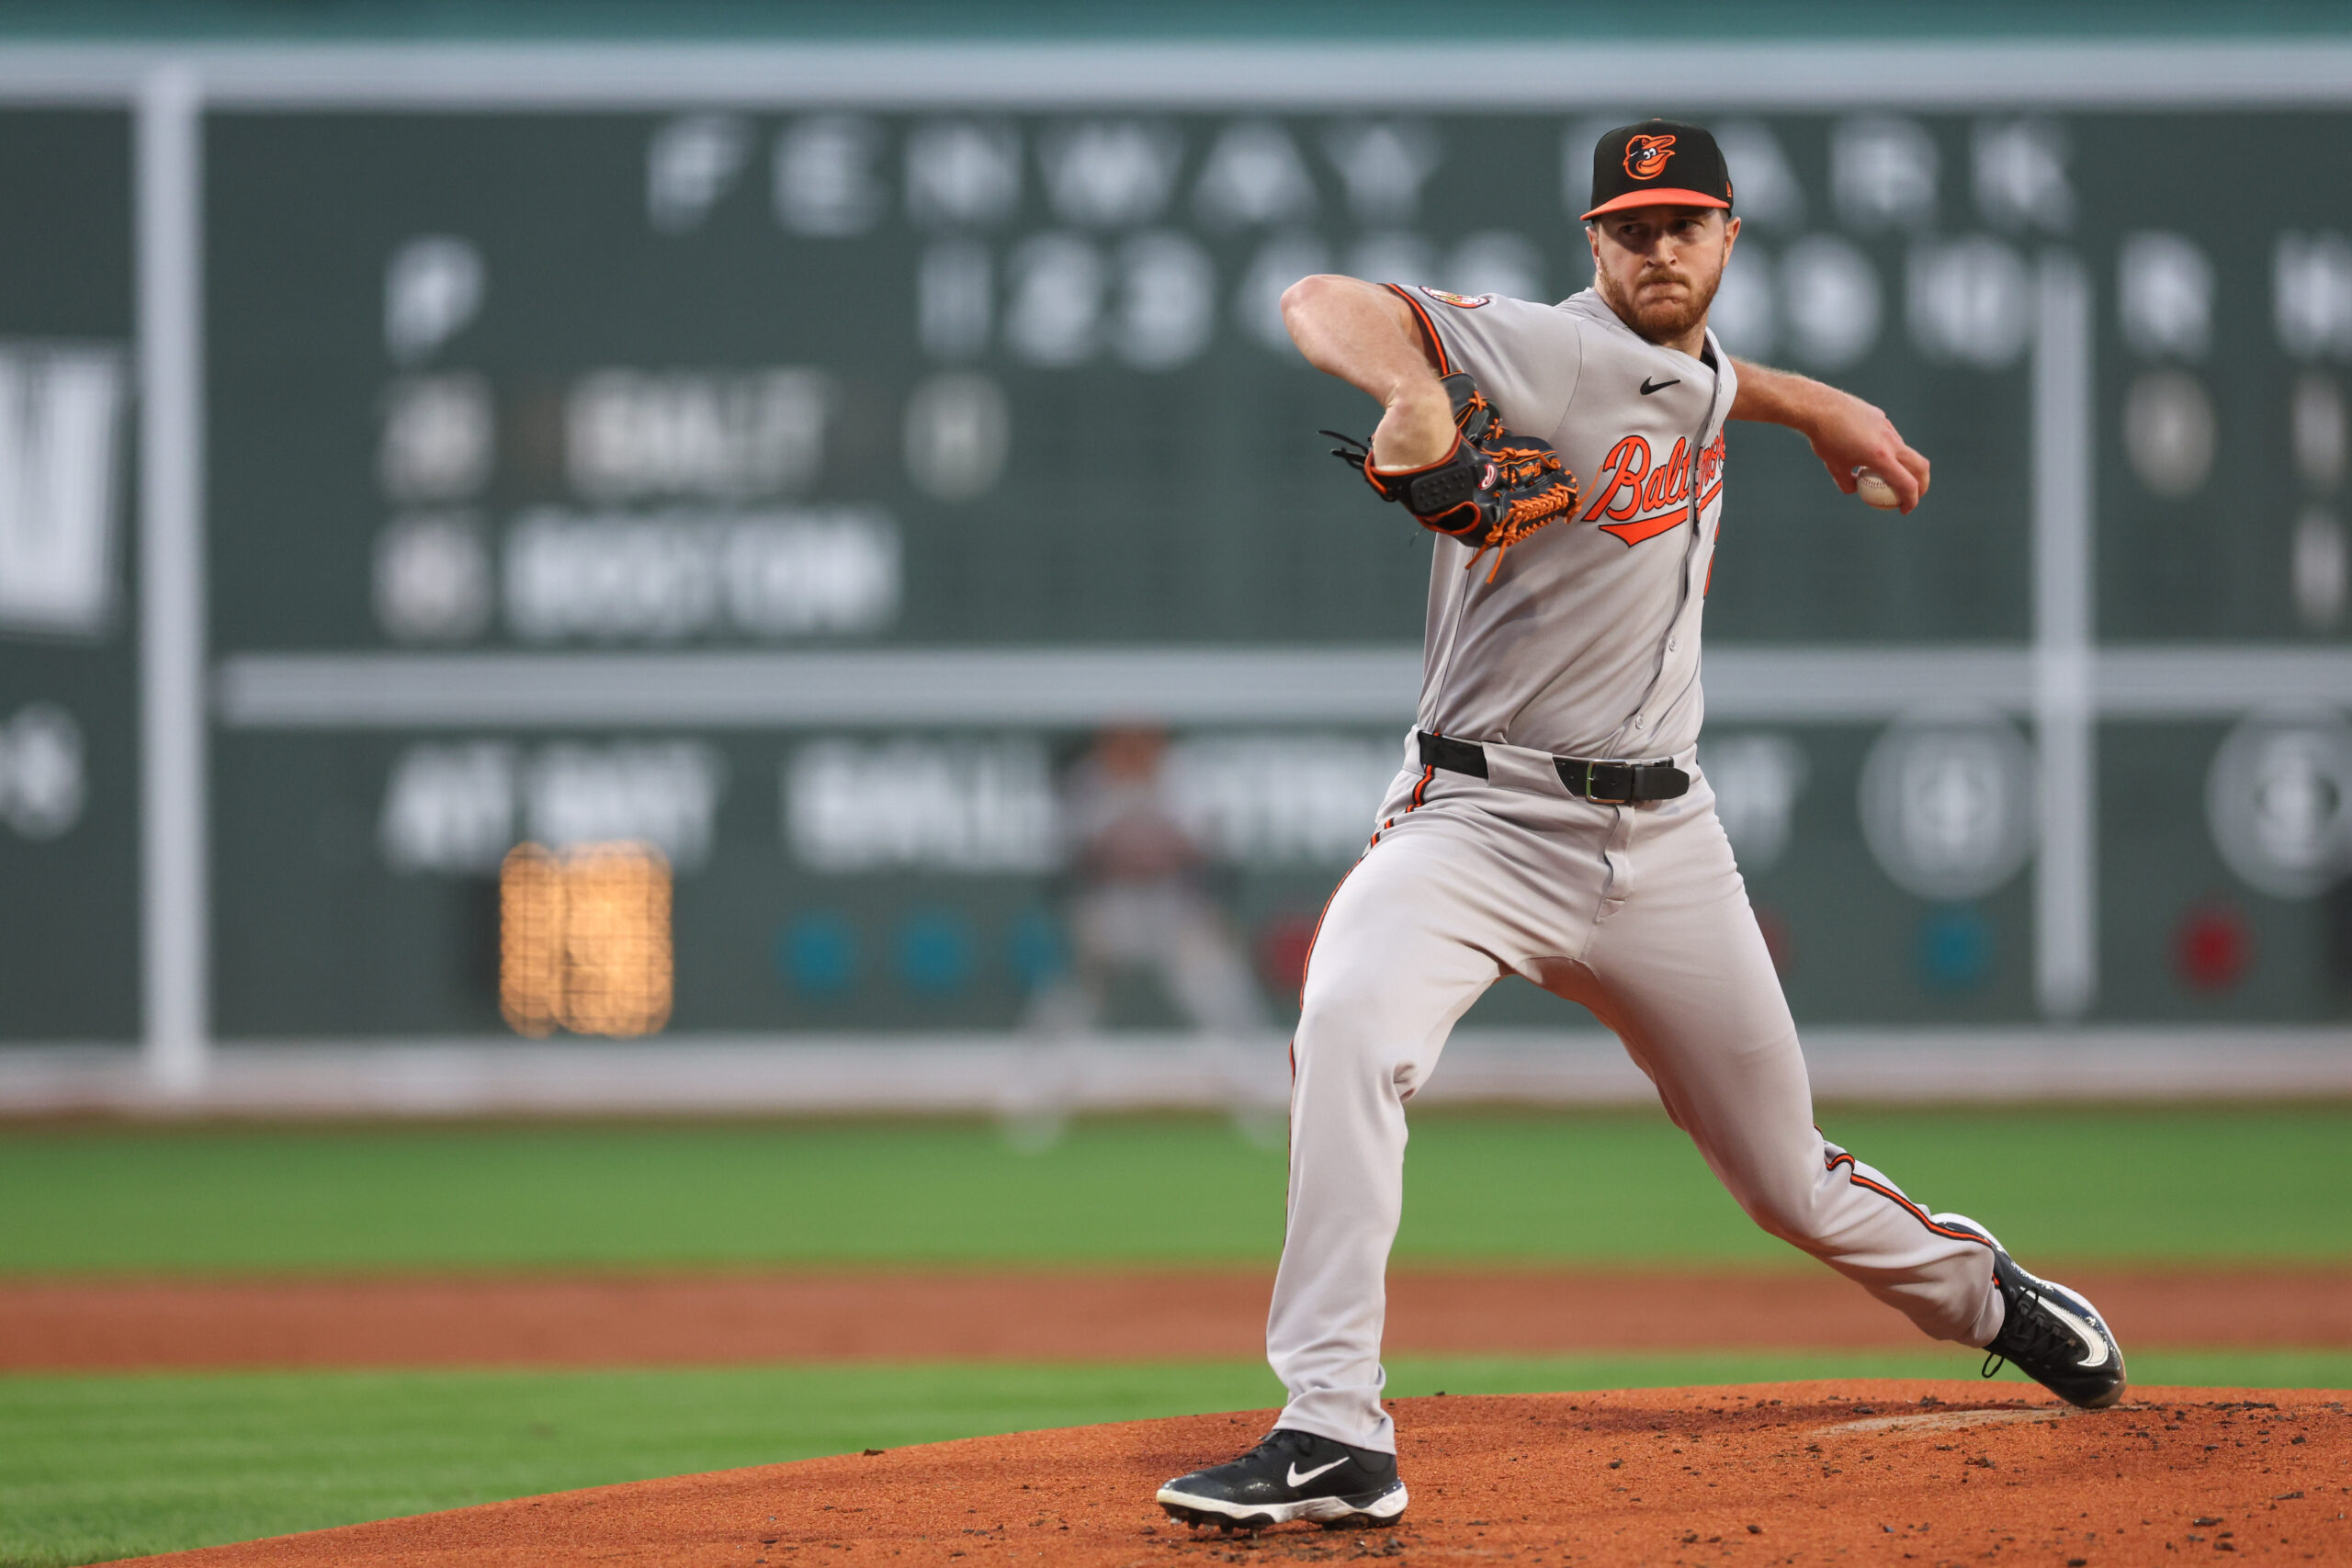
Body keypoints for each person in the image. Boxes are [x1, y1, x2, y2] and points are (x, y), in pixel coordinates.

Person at [1154, 119, 2124, 1535]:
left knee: (1785, 1179)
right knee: (1351, 1025)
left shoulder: (1699, 370)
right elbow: (1320, 301)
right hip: (1475, 820)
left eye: (1684, 224)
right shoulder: (1541, 348)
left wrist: (1824, 410)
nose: (1658, 247)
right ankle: (1333, 1431)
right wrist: (1414, 393)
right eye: (1629, 227)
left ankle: (1988, 1299)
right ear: (1590, 247)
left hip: (1666, 847)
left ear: (1729, 238)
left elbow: (1707, 386)